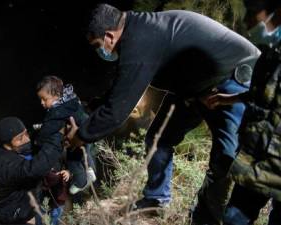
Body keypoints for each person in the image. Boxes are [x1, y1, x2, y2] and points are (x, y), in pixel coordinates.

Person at [67, 4, 260, 224]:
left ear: (109, 36)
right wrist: (95, 105)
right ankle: (156, 200)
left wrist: (81, 136)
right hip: (195, 88)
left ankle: (209, 217)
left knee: (226, 156)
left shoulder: (140, 39)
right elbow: (123, 88)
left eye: (97, 45)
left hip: (232, 76)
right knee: (159, 139)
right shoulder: (140, 30)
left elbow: (117, 110)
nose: (101, 51)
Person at [205, 1, 280, 224]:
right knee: (233, 219)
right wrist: (229, 98)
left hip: (274, 160)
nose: (247, 21)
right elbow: (265, 95)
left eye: (253, 13)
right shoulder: (271, 53)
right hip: (256, 161)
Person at [0, 117, 65, 225]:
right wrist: (58, 136)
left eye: (26, 133)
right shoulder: (0, 162)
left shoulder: (18, 148)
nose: (26, 139)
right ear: (6, 144)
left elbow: (35, 146)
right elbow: (35, 169)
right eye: (20, 138)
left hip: (29, 208)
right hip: (10, 217)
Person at [35, 76, 96, 195]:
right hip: (87, 127)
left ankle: (80, 182)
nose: (42, 103)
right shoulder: (70, 98)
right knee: (86, 151)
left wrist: (39, 140)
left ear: (56, 95)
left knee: (72, 159)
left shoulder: (57, 111)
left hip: (79, 133)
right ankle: (90, 170)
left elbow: (48, 129)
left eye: (44, 99)